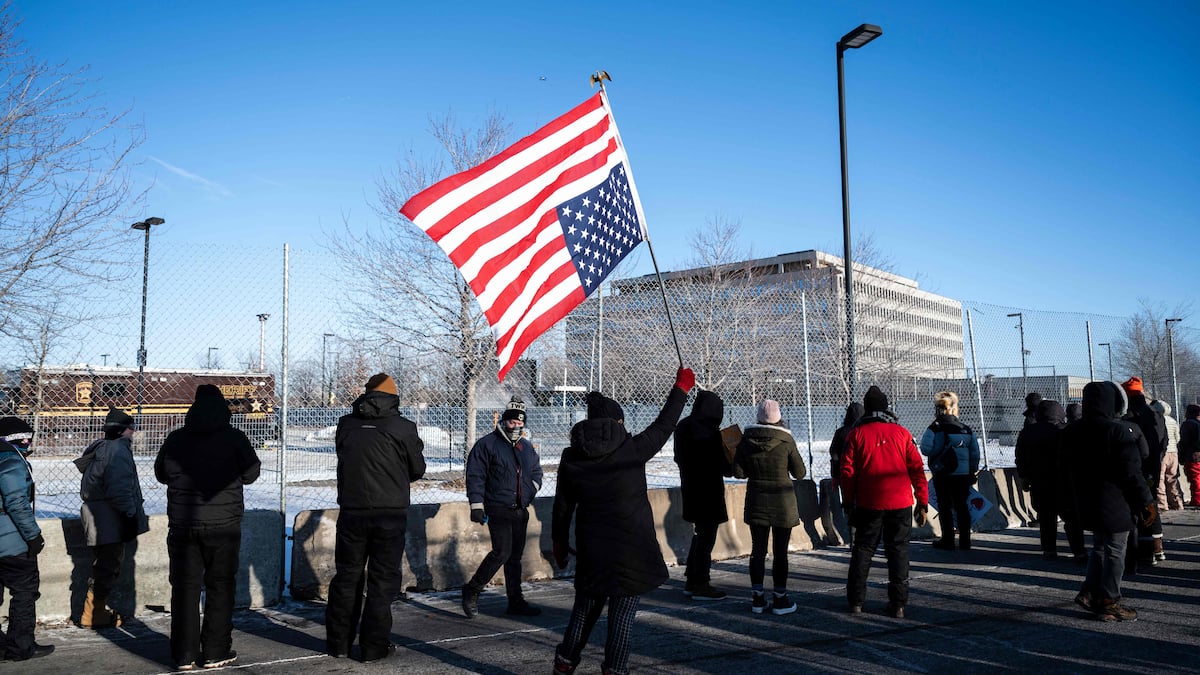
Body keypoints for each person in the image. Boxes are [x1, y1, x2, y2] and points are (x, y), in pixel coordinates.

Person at [551, 368, 694, 675]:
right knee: (622, 617)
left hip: (593, 551)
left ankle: (564, 664)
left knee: (584, 611)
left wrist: (559, 542)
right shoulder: (632, 449)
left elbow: (562, 507)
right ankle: (615, 670)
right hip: (632, 550)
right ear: (617, 422)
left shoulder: (571, 457)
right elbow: (665, 424)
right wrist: (681, 389)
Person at [155, 385, 262, 670]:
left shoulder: (176, 438)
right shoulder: (234, 438)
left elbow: (161, 473)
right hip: (223, 525)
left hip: (183, 524)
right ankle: (216, 650)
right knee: (220, 587)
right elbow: (251, 473)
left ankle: (184, 654)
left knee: (184, 588)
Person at [325, 373, 425, 663]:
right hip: (389, 513)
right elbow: (417, 469)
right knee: (382, 581)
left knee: (347, 576)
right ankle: (373, 647)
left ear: (366, 394)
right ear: (393, 398)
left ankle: (339, 643)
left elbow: (345, 456)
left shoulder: (346, 424)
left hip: (352, 510)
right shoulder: (403, 427)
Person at [1062, 381, 1155, 621]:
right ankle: (1109, 600)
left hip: (1085, 499)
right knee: (1115, 550)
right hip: (1115, 501)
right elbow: (1132, 473)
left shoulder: (1072, 430)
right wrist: (1146, 502)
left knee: (1100, 547)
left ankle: (1089, 591)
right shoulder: (1117, 431)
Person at [840, 386, 929, 619]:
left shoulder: (856, 434)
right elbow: (917, 469)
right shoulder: (902, 433)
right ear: (886, 407)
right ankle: (898, 604)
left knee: (863, 550)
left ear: (866, 409)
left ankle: (856, 601)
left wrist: (848, 502)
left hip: (869, 503)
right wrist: (922, 501)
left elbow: (847, 472)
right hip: (900, 502)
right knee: (898, 551)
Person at [461, 396, 543, 618]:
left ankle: (516, 601)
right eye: (512, 422)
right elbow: (475, 476)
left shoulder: (526, 447)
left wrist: (530, 490)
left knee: (515, 557)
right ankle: (472, 589)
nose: (516, 426)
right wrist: (476, 505)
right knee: (502, 552)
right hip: (497, 507)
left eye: (520, 423)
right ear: (504, 421)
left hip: (520, 509)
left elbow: (536, 472)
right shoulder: (487, 444)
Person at [75, 407, 150, 628]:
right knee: (108, 565)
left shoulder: (105, 448)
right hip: (109, 517)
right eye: (130, 428)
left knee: (104, 564)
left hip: (99, 514)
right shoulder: (117, 451)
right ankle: (93, 614)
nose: (133, 431)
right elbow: (120, 489)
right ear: (121, 430)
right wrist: (129, 516)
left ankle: (94, 611)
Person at [731, 398, 805, 616]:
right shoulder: (786, 441)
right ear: (779, 418)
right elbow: (800, 473)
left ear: (758, 417)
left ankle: (757, 598)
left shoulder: (745, 441)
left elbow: (738, 473)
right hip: (783, 504)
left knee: (758, 551)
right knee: (780, 553)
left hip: (757, 502)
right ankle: (780, 599)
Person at [0, 417, 53, 661]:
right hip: (12, 543)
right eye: (26, 437)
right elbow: (17, 503)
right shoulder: (11, 460)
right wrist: (34, 537)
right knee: (24, 593)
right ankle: (20, 647)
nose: (29, 442)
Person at [673, 389, 731, 600]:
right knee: (706, 539)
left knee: (700, 535)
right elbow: (725, 466)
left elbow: (678, 458)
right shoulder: (711, 432)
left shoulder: (683, 427)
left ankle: (692, 579)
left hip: (691, 489)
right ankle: (700, 582)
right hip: (710, 491)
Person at [1015, 399, 1086, 561]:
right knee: (1071, 519)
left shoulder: (1028, 432)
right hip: (1065, 482)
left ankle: (1049, 550)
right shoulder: (1066, 430)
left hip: (1039, 482)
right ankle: (1079, 551)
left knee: (1046, 518)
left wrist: (1024, 476)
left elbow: (1021, 457)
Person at [919, 391, 980, 551]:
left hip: (943, 473)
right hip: (963, 475)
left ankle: (948, 539)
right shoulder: (965, 429)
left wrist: (940, 451)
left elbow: (925, 449)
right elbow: (975, 454)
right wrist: (971, 471)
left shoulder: (935, 428)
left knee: (944, 506)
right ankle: (965, 540)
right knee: (962, 506)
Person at [1120, 377, 1167, 564]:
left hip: (1136, 467)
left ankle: (1145, 550)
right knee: (1150, 503)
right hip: (1153, 466)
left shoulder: (1129, 417)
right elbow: (1164, 442)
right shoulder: (1157, 415)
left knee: (1137, 507)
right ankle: (1157, 547)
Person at [1151, 399, 1185, 513]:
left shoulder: (1157, 420)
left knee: (1160, 478)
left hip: (1162, 453)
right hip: (1174, 452)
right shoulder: (1173, 421)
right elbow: (1178, 438)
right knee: (1172, 478)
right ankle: (1177, 503)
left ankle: (1162, 504)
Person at [829, 402, 865, 488]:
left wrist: (835, 475)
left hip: (845, 474)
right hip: (864, 474)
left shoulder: (840, 432)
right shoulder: (865, 432)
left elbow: (834, 454)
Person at [1180, 404, 1200, 508]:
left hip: (1192, 455)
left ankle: (1197, 500)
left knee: (1195, 479)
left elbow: (1184, 442)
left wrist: (1181, 456)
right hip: (1196, 455)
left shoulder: (1188, 424)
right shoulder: (1197, 423)